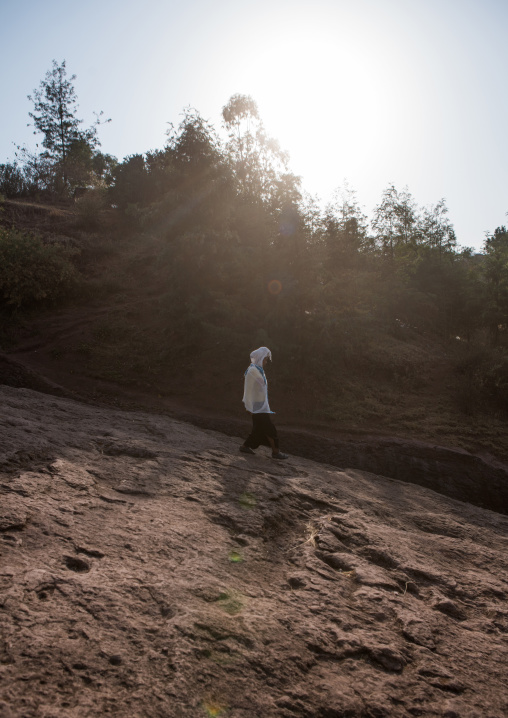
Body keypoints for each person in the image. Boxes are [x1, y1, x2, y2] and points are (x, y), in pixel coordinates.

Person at [240, 346, 288, 460]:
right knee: (269, 428)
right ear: (259, 358)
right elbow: (248, 390)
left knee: (259, 429)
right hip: (256, 406)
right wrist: (248, 407)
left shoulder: (259, 370)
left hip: (261, 405)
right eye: (265, 359)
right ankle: (276, 452)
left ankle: (245, 446)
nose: (266, 361)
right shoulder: (252, 371)